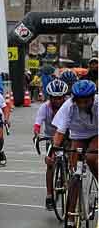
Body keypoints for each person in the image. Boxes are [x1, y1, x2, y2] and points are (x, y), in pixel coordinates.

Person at [50, 80, 97, 228]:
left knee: (91, 157)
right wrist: (54, 149)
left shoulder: (98, 104)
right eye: (80, 101)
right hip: (77, 136)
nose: (83, 104)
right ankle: (70, 221)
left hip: (96, 134)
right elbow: (60, 131)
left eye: (86, 101)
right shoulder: (69, 106)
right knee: (74, 178)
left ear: (92, 98)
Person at [33, 79, 68, 210]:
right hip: (51, 137)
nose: (57, 101)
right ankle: (49, 195)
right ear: (50, 97)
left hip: (67, 136)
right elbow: (37, 123)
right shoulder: (44, 107)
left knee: (72, 157)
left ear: (64, 97)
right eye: (54, 98)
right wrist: (36, 134)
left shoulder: (69, 106)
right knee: (50, 165)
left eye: (60, 98)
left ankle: (71, 176)